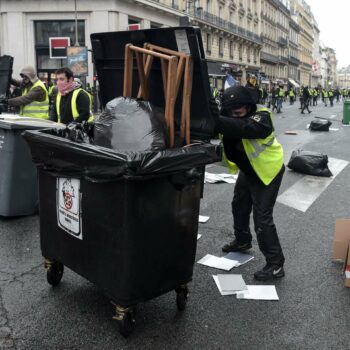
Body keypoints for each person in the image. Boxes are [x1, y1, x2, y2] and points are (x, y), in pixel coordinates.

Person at [217, 86, 285, 281]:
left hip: (266, 171)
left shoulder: (262, 116)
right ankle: (242, 241)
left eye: (238, 113)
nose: (234, 116)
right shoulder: (228, 115)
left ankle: (276, 264)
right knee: (239, 205)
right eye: (230, 113)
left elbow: (246, 128)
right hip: (248, 169)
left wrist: (219, 120)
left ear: (248, 107)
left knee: (262, 218)